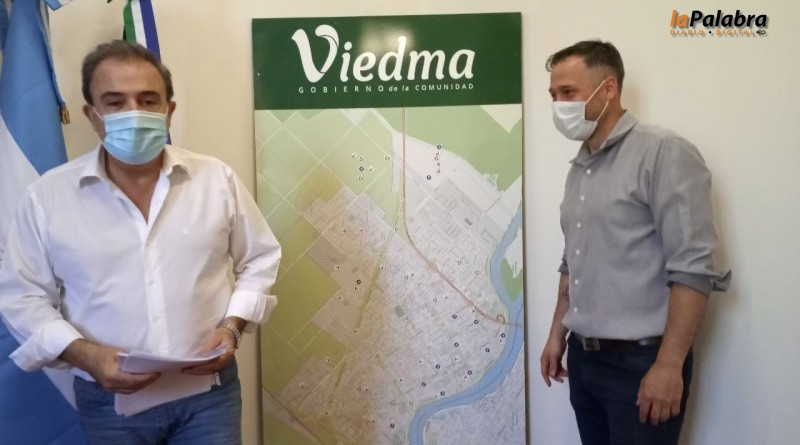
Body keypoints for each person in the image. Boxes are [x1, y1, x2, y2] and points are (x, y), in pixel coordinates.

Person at [0, 40, 281, 444]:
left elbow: (261, 258)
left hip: (208, 397)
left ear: (168, 110)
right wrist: (85, 355)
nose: (133, 113)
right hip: (107, 400)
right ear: (92, 115)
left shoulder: (216, 180)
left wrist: (233, 326)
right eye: (115, 102)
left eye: (147, 100)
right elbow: (21, 295)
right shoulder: (48, 197)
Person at [539, 40, 731, 445]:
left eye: (568, 92)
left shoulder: (663, 152)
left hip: (642, 364)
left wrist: (669, 366)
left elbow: (694, 270)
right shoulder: (580, 166)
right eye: (554, 95)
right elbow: (573, 260)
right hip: (584, 360)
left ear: (608, 88)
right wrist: (557, 333)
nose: (558, 105)